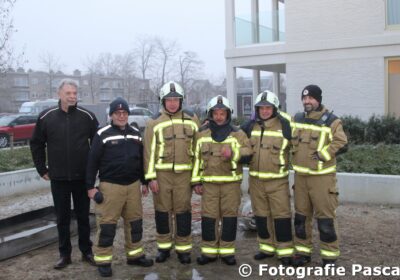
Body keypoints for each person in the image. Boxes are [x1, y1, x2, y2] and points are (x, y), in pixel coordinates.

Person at [30, 79, 98, 269]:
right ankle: (65, 254)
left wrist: (93, 172)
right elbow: (36, 143)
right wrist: (41, 168)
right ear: (59, 94)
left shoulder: (88, 117)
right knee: (62, 218)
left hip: (82, 178)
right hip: (58, 178)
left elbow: (98, 145)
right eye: (68, 93)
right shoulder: (46, 117)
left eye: (75, 93)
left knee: (83, 216)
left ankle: (86, 251)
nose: (72, 97)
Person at [86, 97, 154, 277]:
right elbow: (92, 162)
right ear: (111, 115)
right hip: (110, 187)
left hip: (133, 186)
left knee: (135, 224)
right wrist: (90, 188)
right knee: (107, 226)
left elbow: (141, 160)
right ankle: (103, 261)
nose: (121, 116)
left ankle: (135, 255)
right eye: (118, 113)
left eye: (124, 113)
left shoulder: (135, 133)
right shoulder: (102, 134)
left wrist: (145, 181)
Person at [291, 85, 348, 267]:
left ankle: (329, 256)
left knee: (325, 219)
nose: (307, 101)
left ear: (318, 99)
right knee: (301, 218)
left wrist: (323, 154)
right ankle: (302, 253)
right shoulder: (297, 119)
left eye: (311, 98)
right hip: (300, 178)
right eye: (304, 98)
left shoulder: (332, 121)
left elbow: (342, 142)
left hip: (322, 179)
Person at [191, 95, 252, 266]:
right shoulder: (201, 134)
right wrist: (196, 182)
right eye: (215, 113)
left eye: (222, 113)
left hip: (230, 185)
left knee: (229, 218)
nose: (219, 116)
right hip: (209, 185)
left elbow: (248, 152)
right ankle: (209, 252)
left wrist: (234, 154)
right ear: (210, 114)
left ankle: (227, 252)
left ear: (228, 114)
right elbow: (195, 159)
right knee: (209, 218)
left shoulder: (238, 134)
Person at [143, 81, 200, 264]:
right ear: (163, 101)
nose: (173, 103)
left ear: (182, 101)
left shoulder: (192, 121)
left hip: (184, 176)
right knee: (162, 212)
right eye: (169, 100)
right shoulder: (154, 123)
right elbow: (148, 153)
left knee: (183, 211)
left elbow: (198, 151)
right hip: (162, 176)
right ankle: (164, 248)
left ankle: (183, 249)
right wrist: (150, 177)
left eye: (176, 99)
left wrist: (196, 178)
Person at [241, 90, 294, 266]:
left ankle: (285, 251)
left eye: (268, 107)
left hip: (277, 182)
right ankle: (266, 248)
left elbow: (300, 146)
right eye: (261, 108)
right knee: (261, 217)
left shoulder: (286, 125)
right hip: (256, 182)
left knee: (281, 217)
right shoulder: (251, 126)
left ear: (275, 108)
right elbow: (234, 137)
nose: (264, 111)